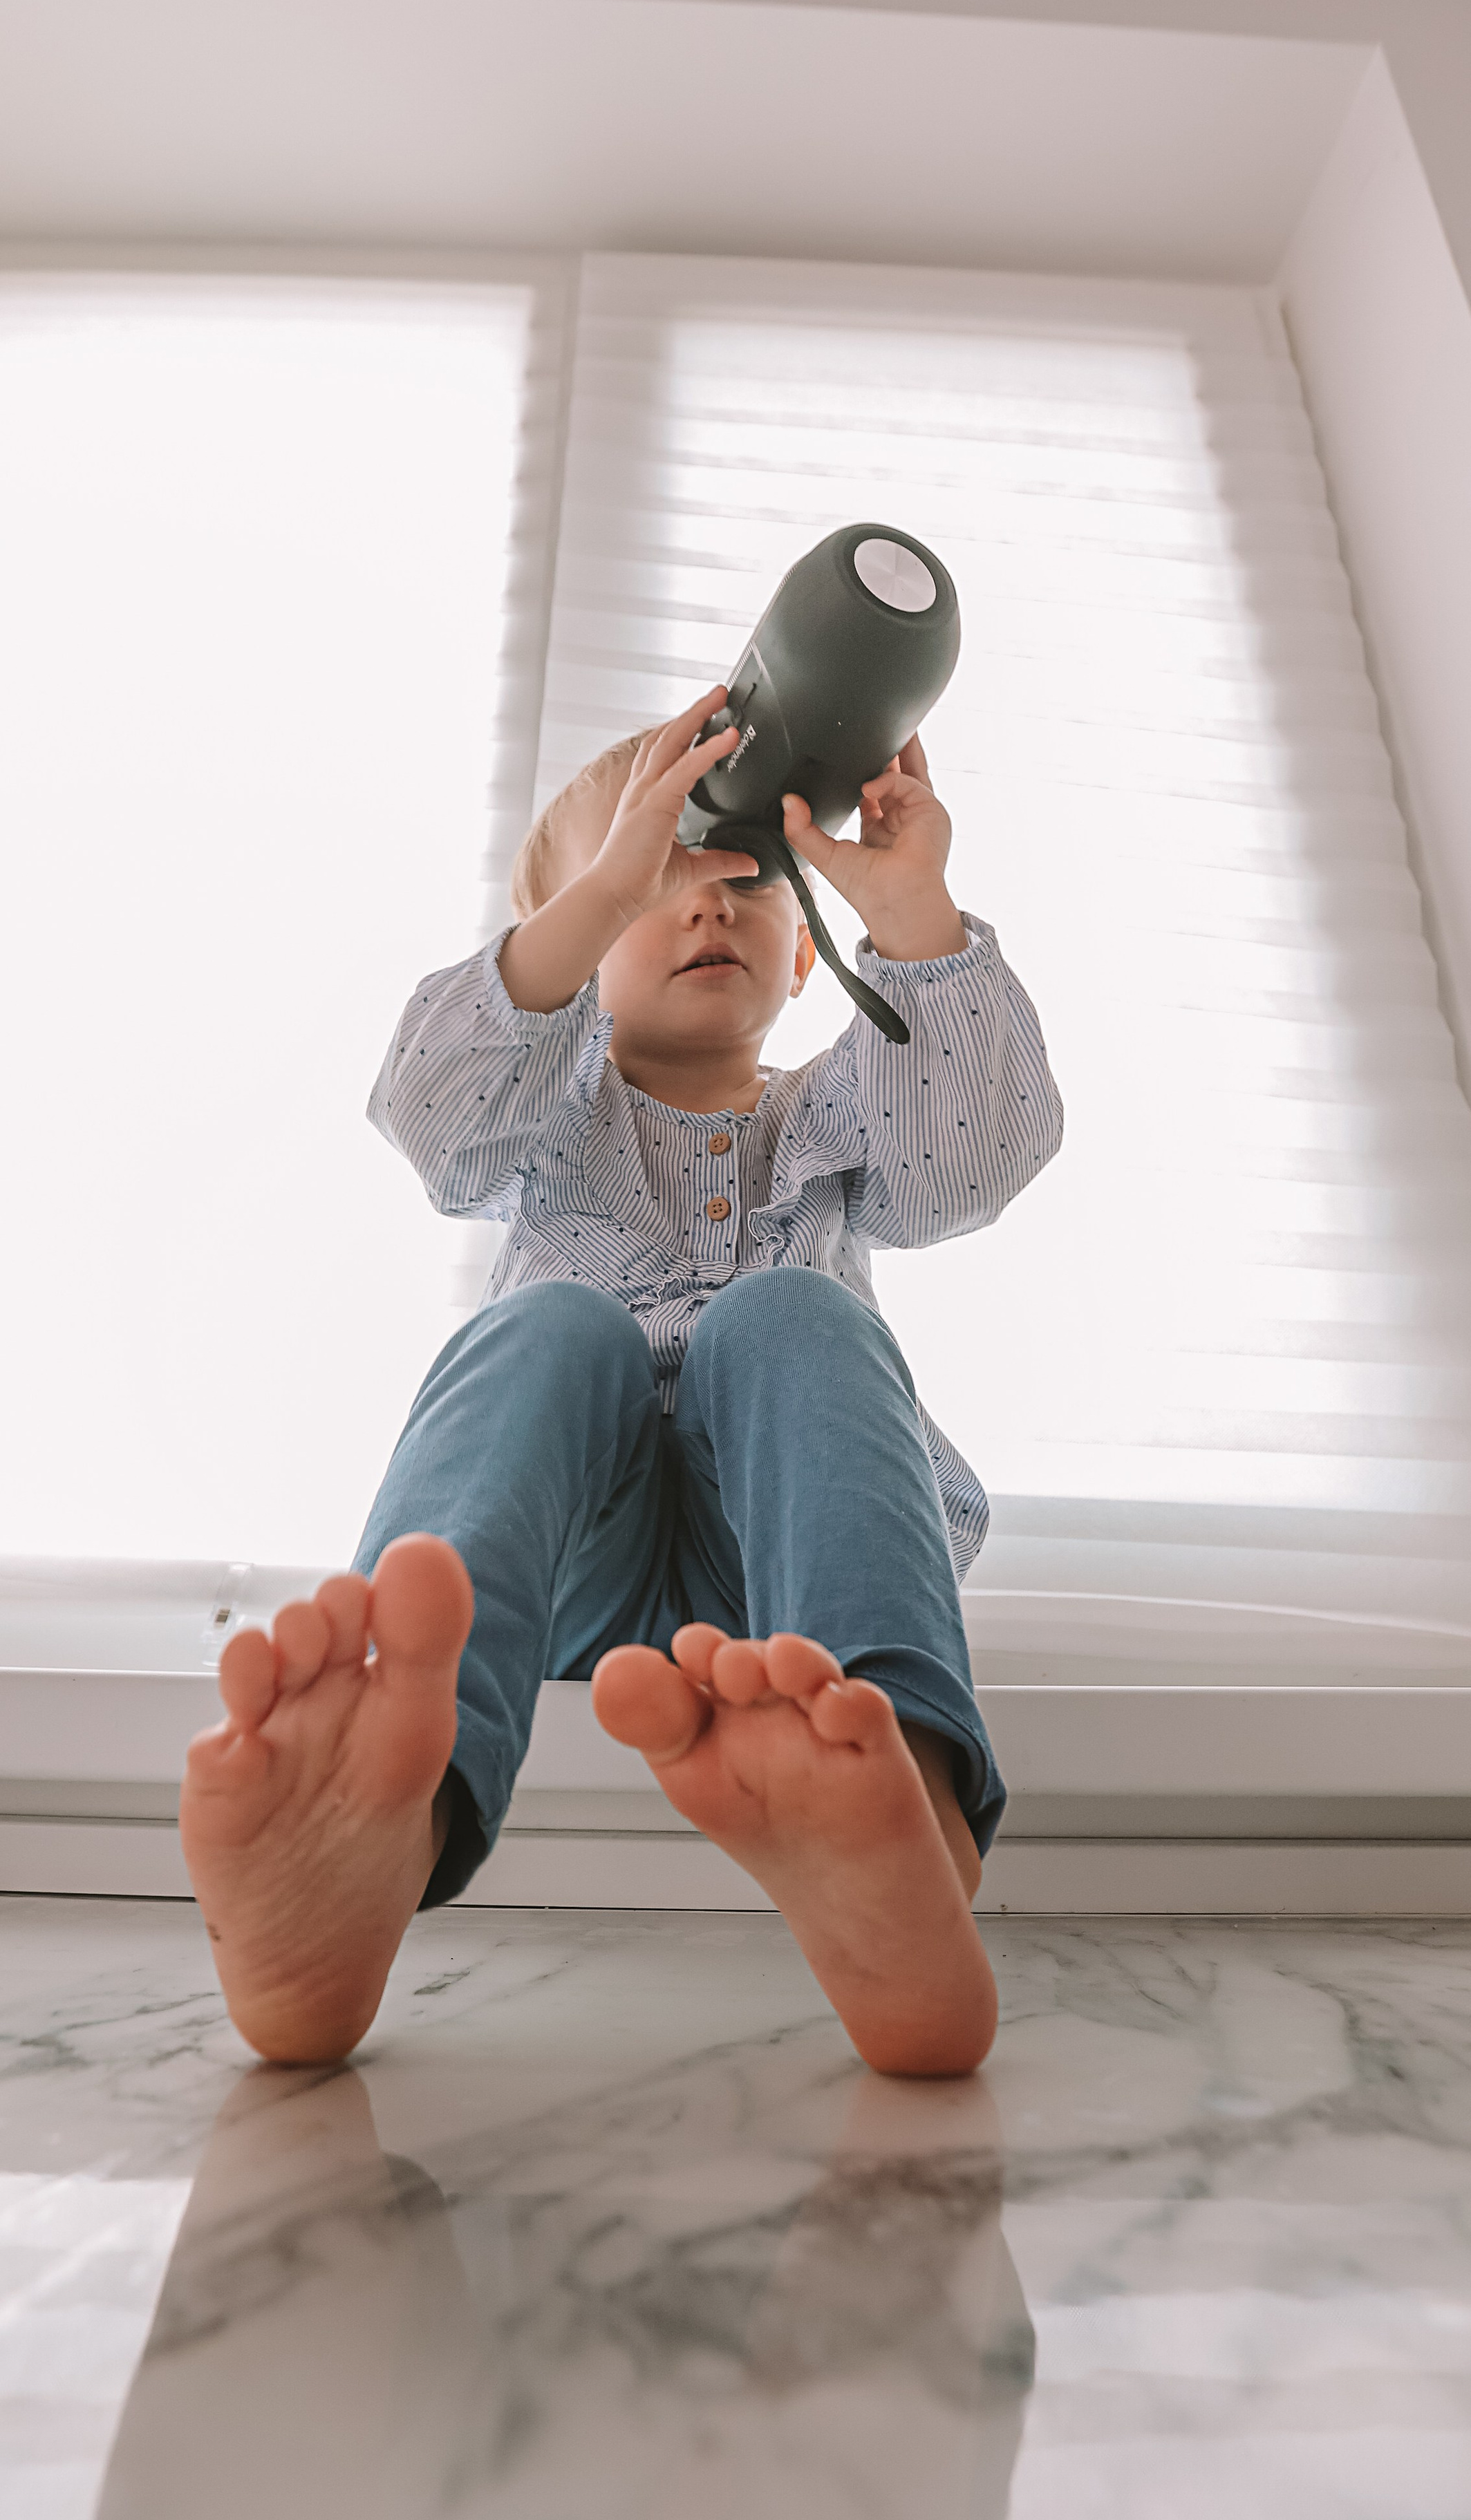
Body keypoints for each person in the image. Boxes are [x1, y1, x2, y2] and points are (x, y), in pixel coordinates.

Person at [179, 685, 1062, 2077]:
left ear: (801, 962)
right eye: (661, 881)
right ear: (584, 947)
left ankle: (902, 1808)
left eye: (747, 881)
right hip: (563, 1559)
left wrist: (912, 916)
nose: (707, 904)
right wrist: (592, 893)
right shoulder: (541, 1113)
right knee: (551, 1333)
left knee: (791, 1319)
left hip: (770, 1581)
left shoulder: (830, 1118)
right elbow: (428, 1112)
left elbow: (973, 1152)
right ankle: (381, 1825)